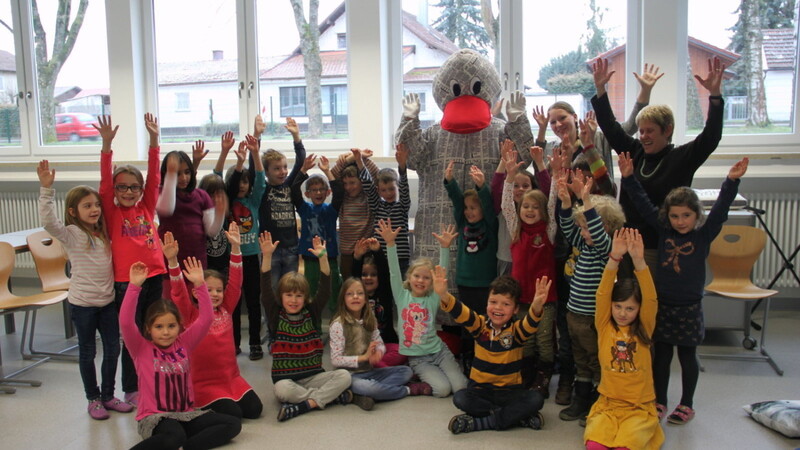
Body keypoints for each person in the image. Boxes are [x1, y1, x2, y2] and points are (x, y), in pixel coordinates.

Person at [619, 153, 749, 425]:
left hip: (690, 307)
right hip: (663, 305)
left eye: (686, 216)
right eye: (675, 216)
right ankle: (660, 400)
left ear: (696, 215)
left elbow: (721, 209)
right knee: (662, 355)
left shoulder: (703, 234)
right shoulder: (664, 230)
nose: (680, 221)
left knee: (688, 356)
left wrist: (731, 182)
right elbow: (643, 204)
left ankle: (686, 404)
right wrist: (629, 177)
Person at [591, 57, 725, 269]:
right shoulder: (634, 152)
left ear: (668, 130)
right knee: (625, 299)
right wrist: (600, 88)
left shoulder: (682, 158)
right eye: (641, 131)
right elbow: (609, 125)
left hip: (658, 246)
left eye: (650, 130)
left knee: (651, 299)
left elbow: (711, 137)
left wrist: (715, 96)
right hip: (624, 241)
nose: (643, 136)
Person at [37, 160, 132, 420]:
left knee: (113, 349)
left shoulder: (104, 234)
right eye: (87, 206)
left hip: (107, 303)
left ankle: (109, 395)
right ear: (73, 211)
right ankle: (93, 398)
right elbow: (47, 221)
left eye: (96, 205)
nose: (94, 210)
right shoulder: (70, 233)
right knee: (88, 352)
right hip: (83, 305)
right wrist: (46, 189)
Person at [121, 258, 241, 449]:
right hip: (155, 417)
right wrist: (134, 287)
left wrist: (200, 284)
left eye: (171, 326)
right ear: (148, 329)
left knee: (232, 423)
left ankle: (186, 446)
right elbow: (126, 323)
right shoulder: (140, 348)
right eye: (159, 327)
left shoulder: (184, 343)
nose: (166, 332)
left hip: (185, 414)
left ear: (179, 326)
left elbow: (206, 318)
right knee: (174, 436)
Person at [96, 113, 165, 406]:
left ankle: (152, 378)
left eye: (133, 187)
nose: (127, 192)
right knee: (132, 335)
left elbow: (154, 176)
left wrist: (153, 140)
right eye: (121, 187)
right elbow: (104, 185)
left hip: (155, 274)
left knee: (153, 330)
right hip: (127, 282)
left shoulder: (146, 206)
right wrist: (107, 145)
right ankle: (131, 387)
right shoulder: (112, 213)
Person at [163, 224, 263, 420]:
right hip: (204, 384)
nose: (215, 294)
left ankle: (229, 395)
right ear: (196, 292)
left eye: (218, 290)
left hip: (231, 378)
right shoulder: (190, 315)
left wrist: (235, 248)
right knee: (233, 414)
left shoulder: (226, 308)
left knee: (253, 410)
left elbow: (235, 283)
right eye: (208, 290)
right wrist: (173, 261)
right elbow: (178, 293)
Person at [555, 170, 625, 424]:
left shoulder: (607, 250)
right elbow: (567, 228)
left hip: (595, 319)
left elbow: (595, 232)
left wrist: (586, 201)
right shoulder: (585, 246)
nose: (583, 232)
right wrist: (565, 203)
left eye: (586, 227)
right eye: (583, 227)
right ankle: (581, 399)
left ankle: (598, 403)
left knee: (596, 361)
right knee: (580, 360)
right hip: (575, 315)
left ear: (604, 226)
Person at [584, 228, 664, 450]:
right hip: (608, 405)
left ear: (639, 309)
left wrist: (639, 261)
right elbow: (602, 294)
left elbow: (650, 297)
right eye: (618, 306)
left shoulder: (645, 328)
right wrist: (614, 258)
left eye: (630, 308)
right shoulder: (604, 325)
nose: (622, 313)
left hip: (639, 407)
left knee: (624, 448)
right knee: (595, 447)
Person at [259, 232, 353, 421]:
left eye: (298, 295)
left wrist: (323, 259)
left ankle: (306, 404)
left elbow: (325, 287)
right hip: (288, 380)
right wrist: (267, 256)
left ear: (305, 297)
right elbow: (265, 287)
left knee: (344, 376)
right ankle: (329, 399)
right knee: (282, 390)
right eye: (289, 295)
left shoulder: (312, 311)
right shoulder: (276, 314)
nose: (293, 300)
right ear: (281, 297)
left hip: (314, 376)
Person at [440, 271, 549, 434]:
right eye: (493, 302)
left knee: (536, 399)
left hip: (510, 393)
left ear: (515, 310)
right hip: (480, 391)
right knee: (460, 398)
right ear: (486, 304)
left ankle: (482, 423)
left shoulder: (516, 331)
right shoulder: (479, 326)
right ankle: (515, 417)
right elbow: (461, 312)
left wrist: (537, 305)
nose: (498, 308)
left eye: (506, 304)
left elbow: (531, 322)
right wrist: (443, 294)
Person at [376, 219, 468, 398]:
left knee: (460, 388)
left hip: (439, 352)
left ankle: (451, 368)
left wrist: (445, 248)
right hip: (419, 359)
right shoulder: (402, 296)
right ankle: (420, 377)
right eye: (417, 276)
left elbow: (442, 273)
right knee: (442, 391)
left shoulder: (433, 297)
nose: (420, 280)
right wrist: (390, 243)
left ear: (431, 282)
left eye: (426, 278)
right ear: (409, 277)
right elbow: (394, 271)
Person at [532, 62, 664, 182]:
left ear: (575, 117)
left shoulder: (599, 138)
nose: (558, 125)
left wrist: (645, 92)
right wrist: (542, 130)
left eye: (562, 118)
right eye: (553, 122)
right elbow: (540, 174)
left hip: (599, 203)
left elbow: (630, 127)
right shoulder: (552, 148)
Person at [501, 148, 558, 395]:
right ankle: (527, 374)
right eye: (526, 206)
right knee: (524, 340)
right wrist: (509, 177)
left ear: (542, 211)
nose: (530, 210)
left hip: (545, 299)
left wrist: (551, 172)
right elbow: (506, 204)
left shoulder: (549, 230)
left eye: (535, 207)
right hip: (521, 298)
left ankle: (544, 379)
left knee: (544, 340)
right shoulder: (516, 229)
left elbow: (554, 201)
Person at [328, 277, 416, 410]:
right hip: (348, 376)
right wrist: (363, 357)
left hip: (369, 372)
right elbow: (335, 360)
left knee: (406, 371)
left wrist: (379, 352)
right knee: (368, 387)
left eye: (360, 293)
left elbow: (379, 342)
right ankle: (407, 390)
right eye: (350, 294)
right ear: (343, 299)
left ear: (365, 298)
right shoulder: (338, 324)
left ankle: (362, 395)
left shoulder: (370, 319)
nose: (355, 297)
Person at [444, 160, 498, 368]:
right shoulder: (463, 222)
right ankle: (468, 358)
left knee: (484, 323)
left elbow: (486, 203)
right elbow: (457, 201)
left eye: (473, 208)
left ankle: (484, 357)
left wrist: (482, 186)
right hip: (465, 283)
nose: (469, 212)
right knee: (467, 323)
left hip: (486, 283)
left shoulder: (490, 224)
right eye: (467, 208)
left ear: (483, 209)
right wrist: (450, 181)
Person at [224, 134, 267, 360]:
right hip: (233, 260)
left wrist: (256, 153)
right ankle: (233, 344)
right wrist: (240, 164)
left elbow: (260, 179)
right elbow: (229, 186)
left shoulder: (253, 201)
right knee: (233, 303)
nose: (242, 185)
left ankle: (255, 343)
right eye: (238, 181)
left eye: (245, 181)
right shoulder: (229, 202)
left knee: (253, 302)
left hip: (251, 257)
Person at [252, 117, 306, 289]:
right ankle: (268, 318)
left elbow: (300, 161)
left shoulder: (288, 185)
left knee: (289, 290)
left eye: (284, 167)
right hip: (270, 250)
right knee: (271, 290)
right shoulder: (262, 189)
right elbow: (254, 166)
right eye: (276, 168)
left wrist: (296, 136)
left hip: (291, 248)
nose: (282, 171)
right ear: (266, 172)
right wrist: (257, 136)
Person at [156, 145, 226, 269]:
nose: (183, 178)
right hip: (170, 263)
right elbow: (167, 209)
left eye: (187, 172)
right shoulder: (162, 192)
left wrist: (220, 213)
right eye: (178, 173)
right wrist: (171, 175)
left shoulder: (201, 195)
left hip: (197, 262)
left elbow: (211, 231)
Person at [291, 153, 343, 310]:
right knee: (311, 295)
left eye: (322, 190)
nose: (318, 193)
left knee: (335, 294)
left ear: (328, 192)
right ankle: (315, 329)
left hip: (330, 258)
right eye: (314, 190)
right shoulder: (305, 209)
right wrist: (303, 170)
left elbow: (339, 193)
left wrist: (328, 172)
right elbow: (294, 190)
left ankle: (336, 329)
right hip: (310, 259)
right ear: (307, 194)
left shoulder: (331, 210)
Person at [491, 139, 544, 277]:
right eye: (515, 186)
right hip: (507, 260)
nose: (520, 189)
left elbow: (548, 191)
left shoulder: (535, 211)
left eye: (525, 186)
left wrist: (540, 163)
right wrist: (504, 162)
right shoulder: (504, 209)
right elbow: (496, 188)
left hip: (531, 260)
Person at [352, 237, 407, 368]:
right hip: (362, 345)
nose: (368, 278)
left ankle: (373, 366)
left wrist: (378, 251)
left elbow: (384, 271)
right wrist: (357, 257)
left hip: (386, 343)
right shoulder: (356, 296)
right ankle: (379, 367)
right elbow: (354, 275)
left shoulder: (385, 292)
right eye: (364, 274)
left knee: (402, 353)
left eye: (373, 274)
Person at [359, 144, 412, 276]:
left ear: (397, 187)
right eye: (383, 190)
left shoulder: (402, 206)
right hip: (381, 257)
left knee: (401, 288)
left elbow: (405, 187)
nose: (388, 193)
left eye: (392, 189)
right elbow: (368, 186)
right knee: (384, 287)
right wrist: (359, 161)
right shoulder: (377, 206)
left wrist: (402, 167)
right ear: (379, 191)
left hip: (401, 258)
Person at [331, 149, 380, 280]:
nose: (348, 187)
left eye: (352, 183)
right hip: (347, 253)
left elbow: (376, 174)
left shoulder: (368, 196)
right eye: (345, 183)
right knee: (348, 285)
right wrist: (349, 159)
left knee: (366, 286)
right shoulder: (343, 197)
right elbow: (333, 173)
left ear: (361, 181)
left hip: (366, 252)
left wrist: (360, 158)